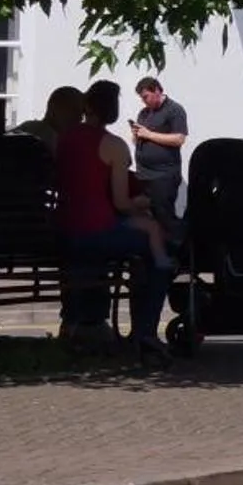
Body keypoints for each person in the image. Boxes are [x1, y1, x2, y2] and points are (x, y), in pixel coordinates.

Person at [53, 79, 171, 360]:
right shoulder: (115, 146)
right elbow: (121, 202)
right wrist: (141, 203)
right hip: (97, 230)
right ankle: (144, 333)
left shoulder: (66, 137)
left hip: (66, 228)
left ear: (88, 106)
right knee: (159, 257)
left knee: (91, 260)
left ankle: (78, 323)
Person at [128, 76, 188, 245]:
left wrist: (149, 134)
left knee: (164, 216)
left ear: (157, 90)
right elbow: (139, 138)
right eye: (141, 98)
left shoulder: (174, 110)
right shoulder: (144, 113)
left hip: (163, 175)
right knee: (146, 214)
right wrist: (136, 135)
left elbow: (179, 139)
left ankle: (178, 250)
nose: (144, 101)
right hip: (144, 174)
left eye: (146, 96)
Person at [13, 85, 85, 150]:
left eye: (81, 113)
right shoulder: (49, 139)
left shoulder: (27, 127)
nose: (80, 118)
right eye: (74, 110)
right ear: (54, 108)